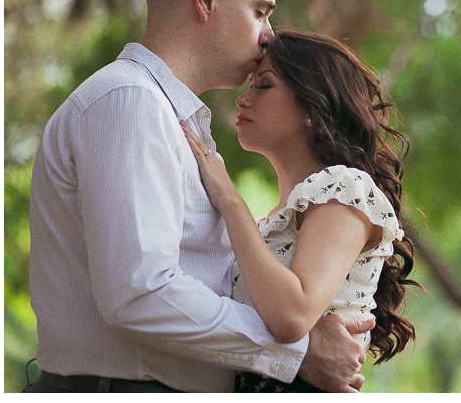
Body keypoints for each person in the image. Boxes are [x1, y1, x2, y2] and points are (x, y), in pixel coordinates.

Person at [26, 0, 371, 393]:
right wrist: (296, 351)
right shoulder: (131, 101)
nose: (269, 36)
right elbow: (140, 291)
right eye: (260, 12)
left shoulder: (169, 116)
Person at [180, 28, 420, 392]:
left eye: (264, 85)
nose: (242, 100)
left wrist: (228, 198)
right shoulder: (272, 222)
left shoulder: (345, 189)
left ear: (314, 104)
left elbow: (292, 315)